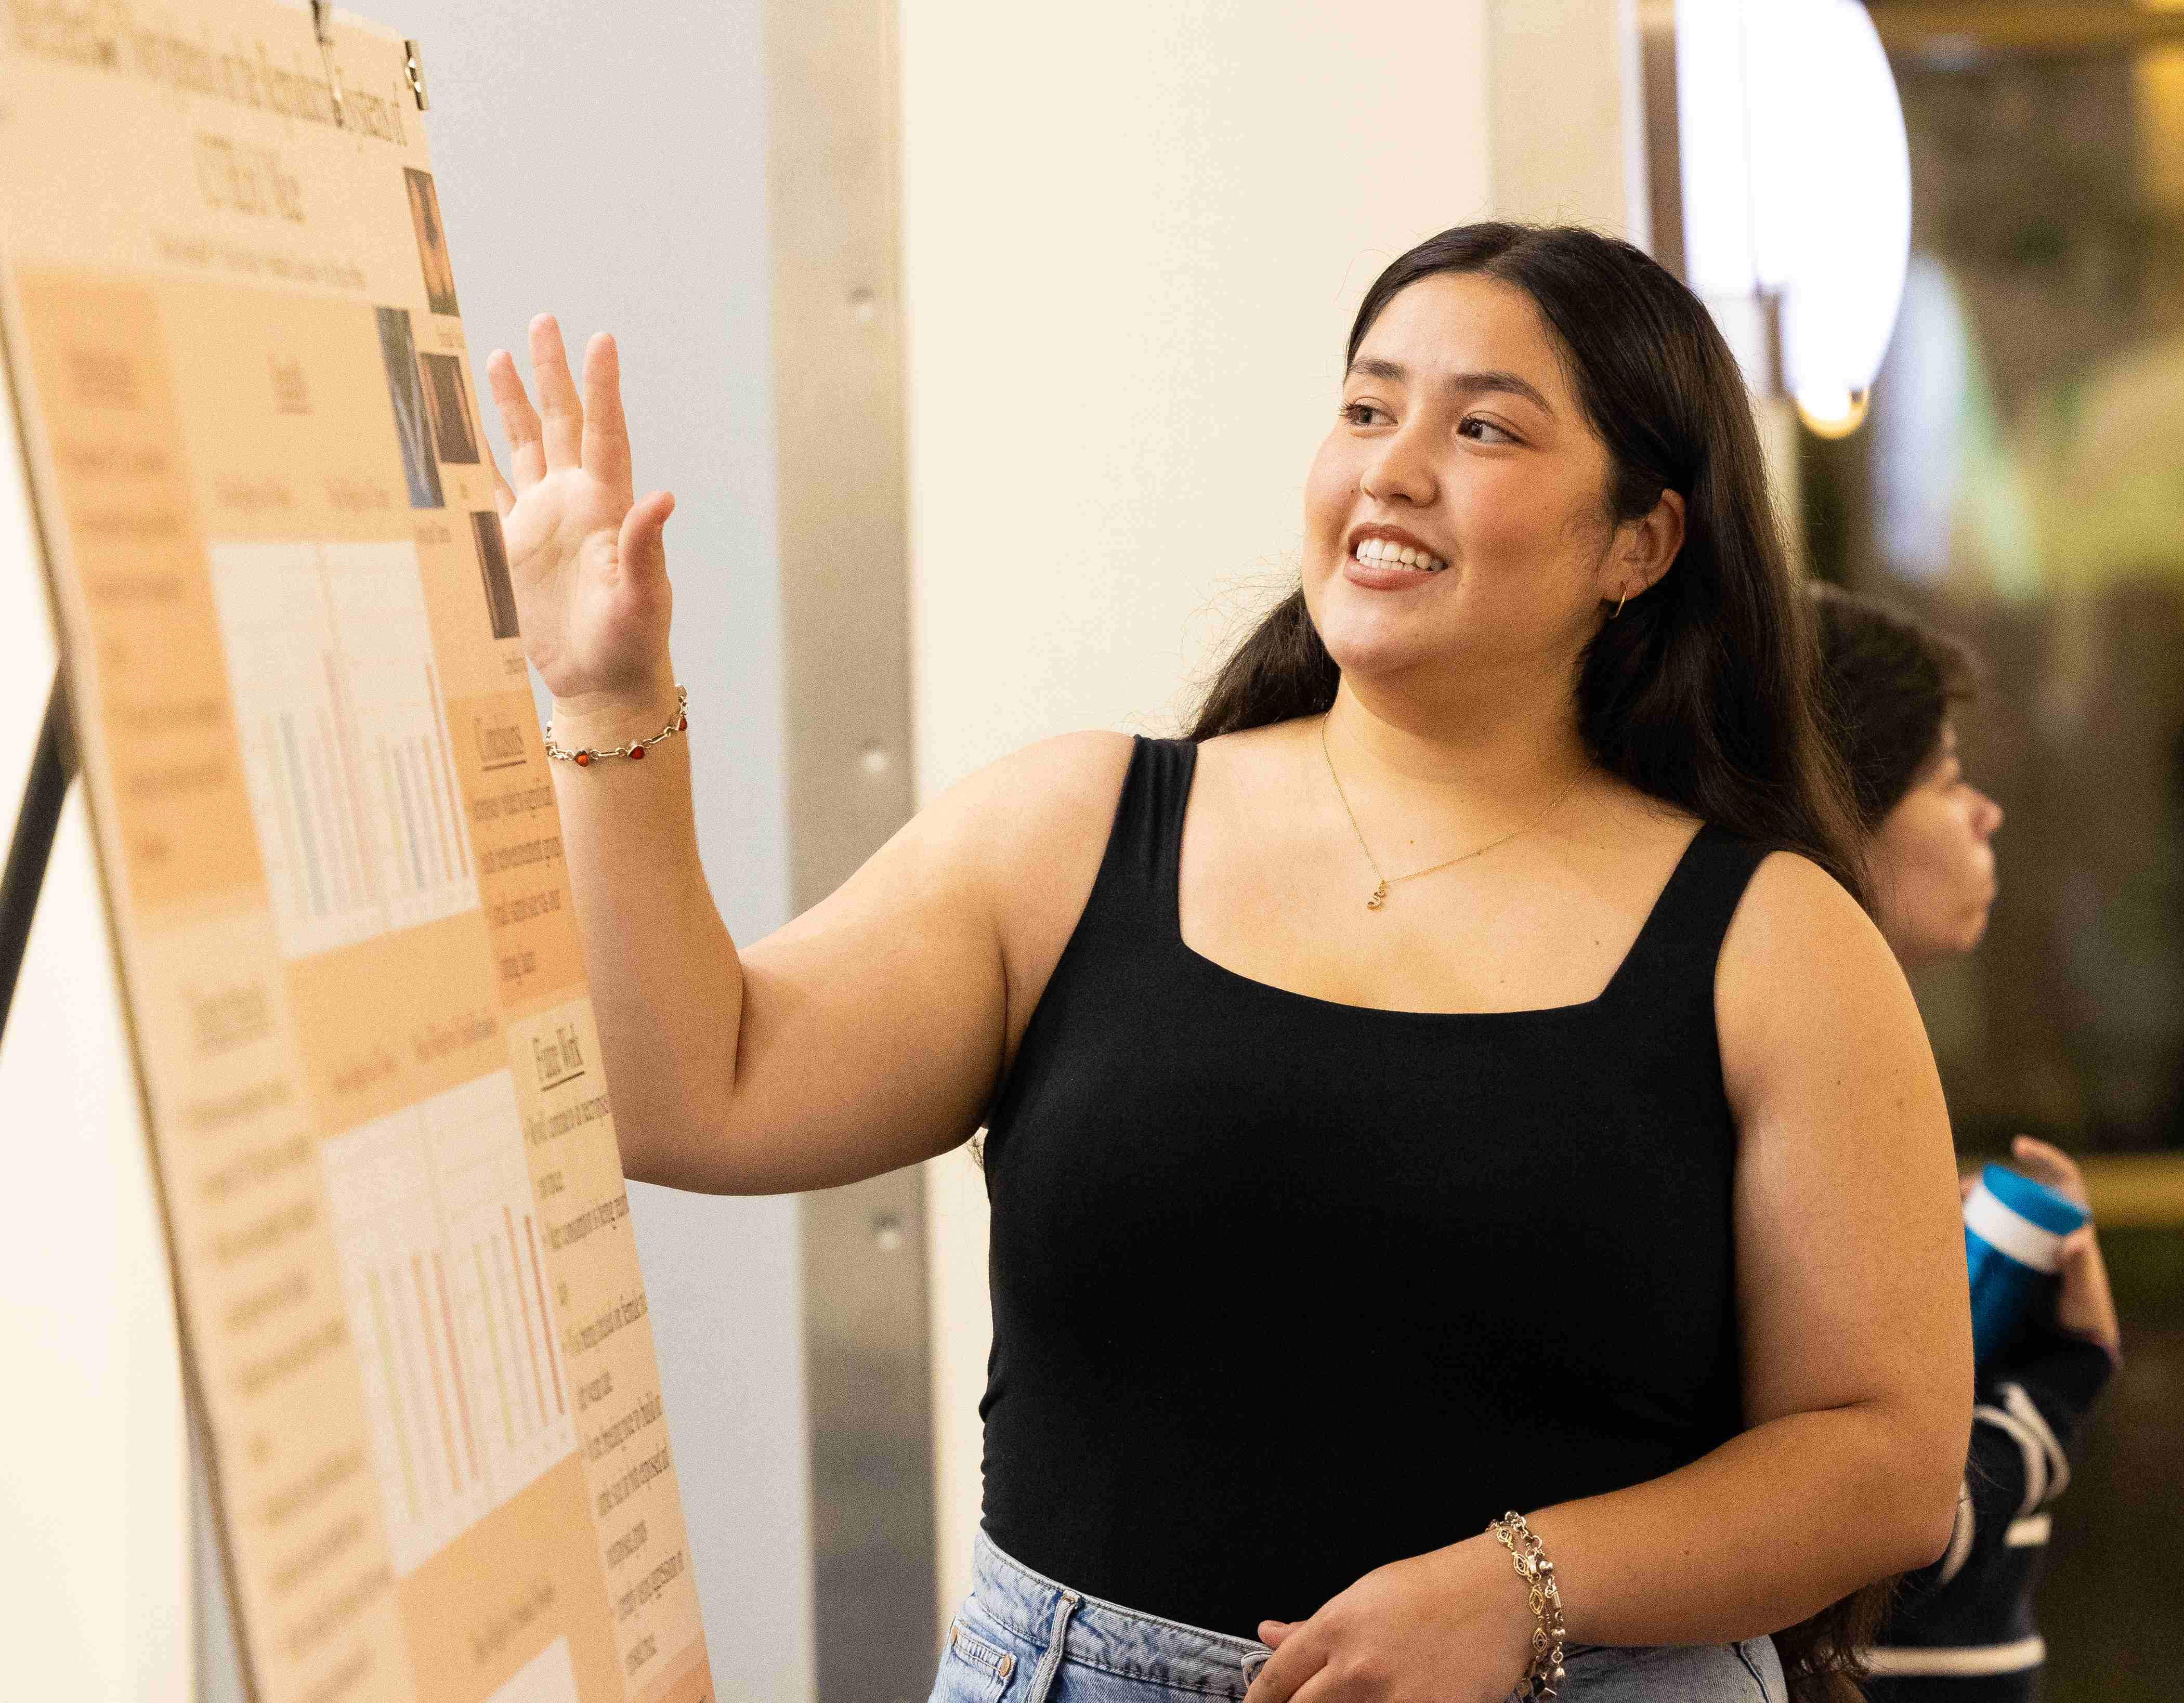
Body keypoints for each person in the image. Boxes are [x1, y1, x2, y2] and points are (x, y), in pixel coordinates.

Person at [484, 222, 1974, 1703]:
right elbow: (687, 1092)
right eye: (1366, 407)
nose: (1391, 465)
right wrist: (604, 694)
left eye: (1482, 428)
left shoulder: (1772, 941)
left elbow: (1885, 1457)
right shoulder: (1075, 832)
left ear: (1639, 542)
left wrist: (1524, 1586)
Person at [1810, 586, 2121, 1700]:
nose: (1985, 813)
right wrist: (2059, 1385)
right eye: (1944, 778)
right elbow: (1861, 1539)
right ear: (1840, 821)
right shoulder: (1811, 1110)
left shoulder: (1858, 1091)